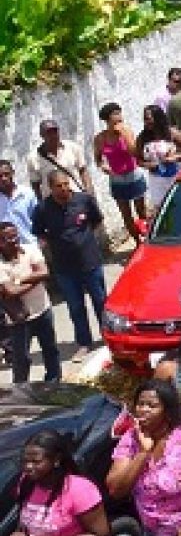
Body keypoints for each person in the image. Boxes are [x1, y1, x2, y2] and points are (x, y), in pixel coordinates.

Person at [107, 379, 181, 536]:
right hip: (153, 534)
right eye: (140, 404)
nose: (143, 410)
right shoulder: (130, 440)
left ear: (168, 411)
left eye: (152, 406)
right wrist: (143, 453)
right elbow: (116, 489)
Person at [30, 171, 106, 351]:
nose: (64, 188)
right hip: (65, 268)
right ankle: (84, 342)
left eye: (66, 184)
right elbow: (39, 232)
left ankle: (108, 336)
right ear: (50, 187)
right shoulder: (43, 209)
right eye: (59, 186)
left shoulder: (84, 200)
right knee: (75, 307)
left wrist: (84, 240)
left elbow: (96, 221)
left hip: (90, 262)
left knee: (101, 301)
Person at [13, 429, 109, 536]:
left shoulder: (79, 489)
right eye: (25, 461)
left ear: (56, 460)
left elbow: (100, 535)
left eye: (36, 462)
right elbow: (24, 524)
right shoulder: (26, 483)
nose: (28, 467)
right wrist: (18, 535)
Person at [0, 221, 60, 383]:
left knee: (51, 351)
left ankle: (53, 386)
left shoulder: (31, 249)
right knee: (22, 361)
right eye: (8, 238)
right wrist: (35, 279)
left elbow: (44, 272)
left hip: (43, 310)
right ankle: (20, 395)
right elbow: (10, 291)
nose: (14, 240)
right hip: (19, 320)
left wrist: (18, 280)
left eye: (15, 236)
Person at [92, 102, 147, 242]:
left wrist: (125, 135)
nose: (119, 116)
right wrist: (102, 165)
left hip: (133, 175)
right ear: (107, 119)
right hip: (116, 179)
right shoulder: (100, 138)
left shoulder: (126, 132)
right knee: (126, 214)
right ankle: (137, 242)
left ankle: (147, 238)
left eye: (119, 113)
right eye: (115, 114)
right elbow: (98, 158)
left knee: (141, 211)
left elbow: (134, 153)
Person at [26, 119, 91, 200]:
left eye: (55, 131)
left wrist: (89, 192)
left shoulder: (72, 147)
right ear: (42, 135)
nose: (53, 135)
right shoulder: (33, 158)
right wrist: (41, 204)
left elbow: (83, 170)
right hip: (53, 202)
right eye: (48, 132)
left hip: (76, 196)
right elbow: (35, 184)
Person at [0, 158, 38, 244]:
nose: (4, 178)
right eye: (0, 176)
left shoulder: (27, 193)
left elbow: (38, 220)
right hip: (7, 252)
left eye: (6, 174)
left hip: (31, 246)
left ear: (12, 173)